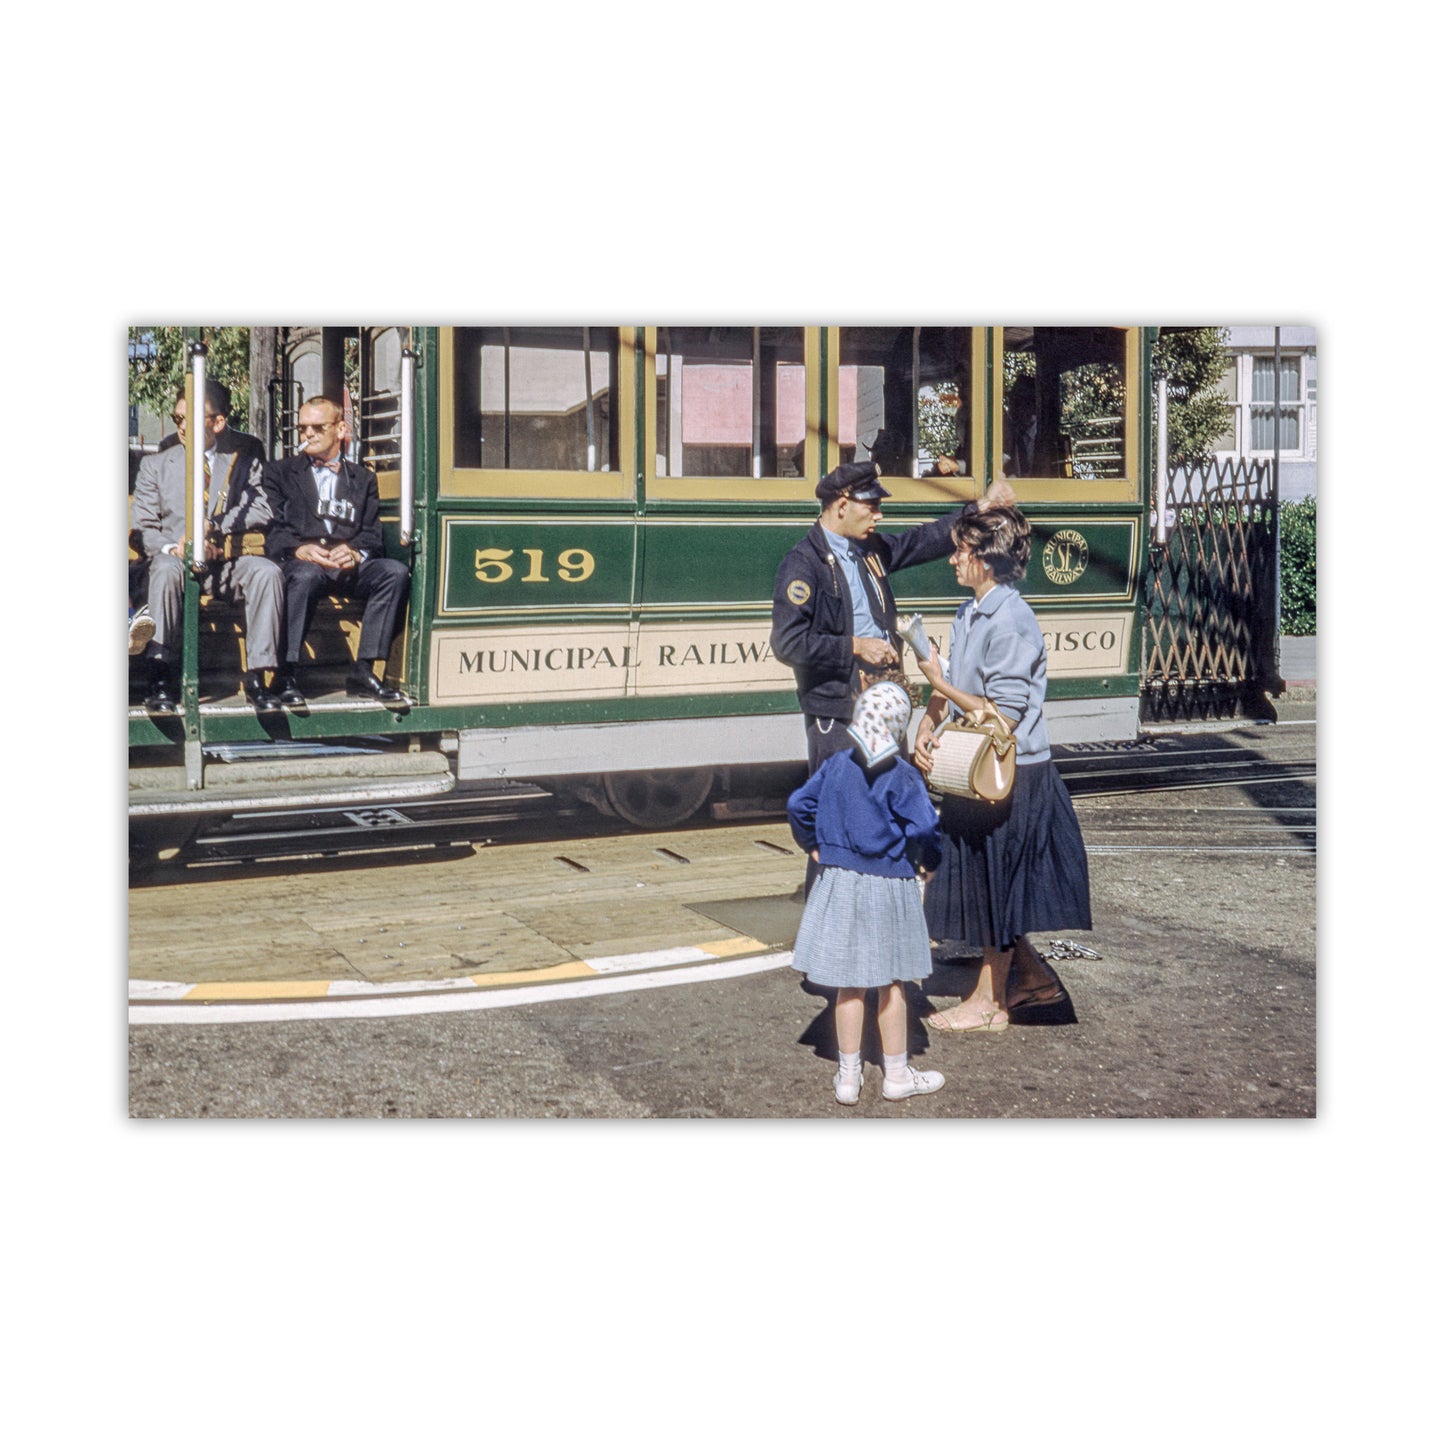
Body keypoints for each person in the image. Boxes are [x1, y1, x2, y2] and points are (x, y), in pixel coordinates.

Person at [770, 457, 1011, 893]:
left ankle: (877, 904)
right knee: (837, 814)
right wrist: (854, 646)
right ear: (842, 504)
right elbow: (788, 644)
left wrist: (977, 509)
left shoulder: (869, 551)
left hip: (883, 703)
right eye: (872, 507)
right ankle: (825, 915)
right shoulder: (802, 565)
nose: (879, 516)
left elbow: (923, 541)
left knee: (883, 810)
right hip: (838, 713)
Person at [914, 505, 1091, 1030]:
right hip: (977, 771)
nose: (952, 560)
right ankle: (1032, 985)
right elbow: (957, 684)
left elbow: (1004, 715)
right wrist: (930, 720)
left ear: (986, 560)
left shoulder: (1012, 619)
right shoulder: (971, 612)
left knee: (1000, 886)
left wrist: (939, 685)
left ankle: (989, 1004)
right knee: (989, 887)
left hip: (1014, 776)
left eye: (962, 552)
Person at [787, 679, 946, 1105]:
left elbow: (799, 805)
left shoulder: (837, 765)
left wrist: (814, 844)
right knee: (892, 983)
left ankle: (848, 1077)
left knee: (848, 984)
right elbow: (926, 827)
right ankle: (896, 1075)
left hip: (839, 882)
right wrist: (929, 861)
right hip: (888, 884)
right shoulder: (903, 776)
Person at [130, 389, 285, 712]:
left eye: (192, 418)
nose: (182, 426)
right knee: (164, 570)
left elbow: (262, 509)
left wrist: (216, 528)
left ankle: (259, 676)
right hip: (173, 562)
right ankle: (160, 676)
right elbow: (143, 527)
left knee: (266, 572)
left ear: (218, 423)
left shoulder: (242, 463)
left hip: (222, 560)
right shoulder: (155, 466)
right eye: (178, 419)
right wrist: (175, 547)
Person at [263, 396, 410, 706]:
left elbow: (372, 534)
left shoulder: (363, 477)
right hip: (302, 564)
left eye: (318, 427)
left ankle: (364, 670)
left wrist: (356, 553)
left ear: (341, 429)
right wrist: (300, 549)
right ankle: (286, 673)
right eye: (303, 428)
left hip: (345, 566)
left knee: (393, 573)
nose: (308, 434)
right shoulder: (279, 473)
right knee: (304, 577)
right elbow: (273, 530)